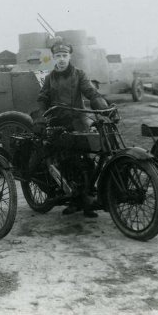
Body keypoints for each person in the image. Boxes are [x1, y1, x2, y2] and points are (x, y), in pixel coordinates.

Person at [36, 38, 108, 217]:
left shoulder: (79, 74)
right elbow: (42, 98)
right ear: (53, 57)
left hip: (78, 121)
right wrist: (42, 116)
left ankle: (87, 199)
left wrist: (102, 107)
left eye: (64, 55)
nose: (61, 59)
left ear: (70, 56)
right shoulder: (49, 78)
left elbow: (90, 92)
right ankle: (74, 200)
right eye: (58, 56)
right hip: (58, 123)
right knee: (65, 160)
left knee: (87, 160)